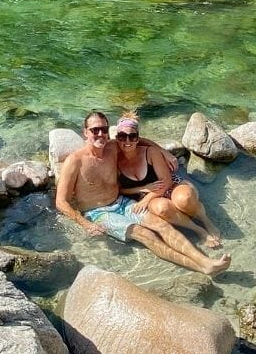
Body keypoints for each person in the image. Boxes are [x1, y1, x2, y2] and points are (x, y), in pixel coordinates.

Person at [55, 110, 231, 277]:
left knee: (162, 225)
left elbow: (139, 140)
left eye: (104, 129)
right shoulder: (75, 161)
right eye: (95, 130)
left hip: (121, 202)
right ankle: (201, 267)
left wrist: (163, 152)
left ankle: (205, 261)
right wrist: (84, 223)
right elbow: (61, 202)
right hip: (97, 213)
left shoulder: (112, 148)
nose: (100, 134)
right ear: (85, 132)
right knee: (146, 235)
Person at [113, 113, 223, 248]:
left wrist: (146, 200)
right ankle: (198, 230)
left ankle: (206, 220)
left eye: (132, 136)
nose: (127, 141)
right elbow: (119, 190)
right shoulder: (115, 160)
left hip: (171, 185)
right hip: (147, 195)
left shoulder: (150, 152)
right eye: (122, 136)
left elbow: (167, 181)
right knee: (162, 209)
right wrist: (143, 189)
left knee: (185, 200)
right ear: (117, 138)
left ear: (138, 139)